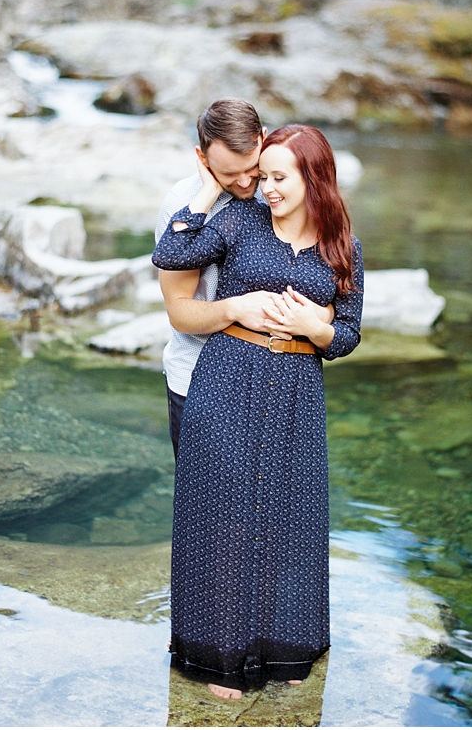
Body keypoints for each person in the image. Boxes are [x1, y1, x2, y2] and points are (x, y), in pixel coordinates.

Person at [153, 124, 364, 699]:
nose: (265, 188)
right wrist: (202, 192)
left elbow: (347, 335)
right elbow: (169, 253)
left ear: (312, 178)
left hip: (297, 389)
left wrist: (313, 326)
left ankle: (285, 650)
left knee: (292, 519)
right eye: (262, 176)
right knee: (222, 516)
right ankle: (216, 658)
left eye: (278, 178)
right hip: (227, 378)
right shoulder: (238, 220)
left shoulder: (342, 243)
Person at [155, 99, 333, 460]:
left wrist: (319, 316)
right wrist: (237, 309)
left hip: (272, 385)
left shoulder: (279, 190)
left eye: (251, 168)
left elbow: (323, 276)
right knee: (210, 509)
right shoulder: (183, 204)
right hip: (195, 380)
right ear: (202, 159)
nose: (245, 182)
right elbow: (180, 314)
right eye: (227, 174)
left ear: (263, 139)